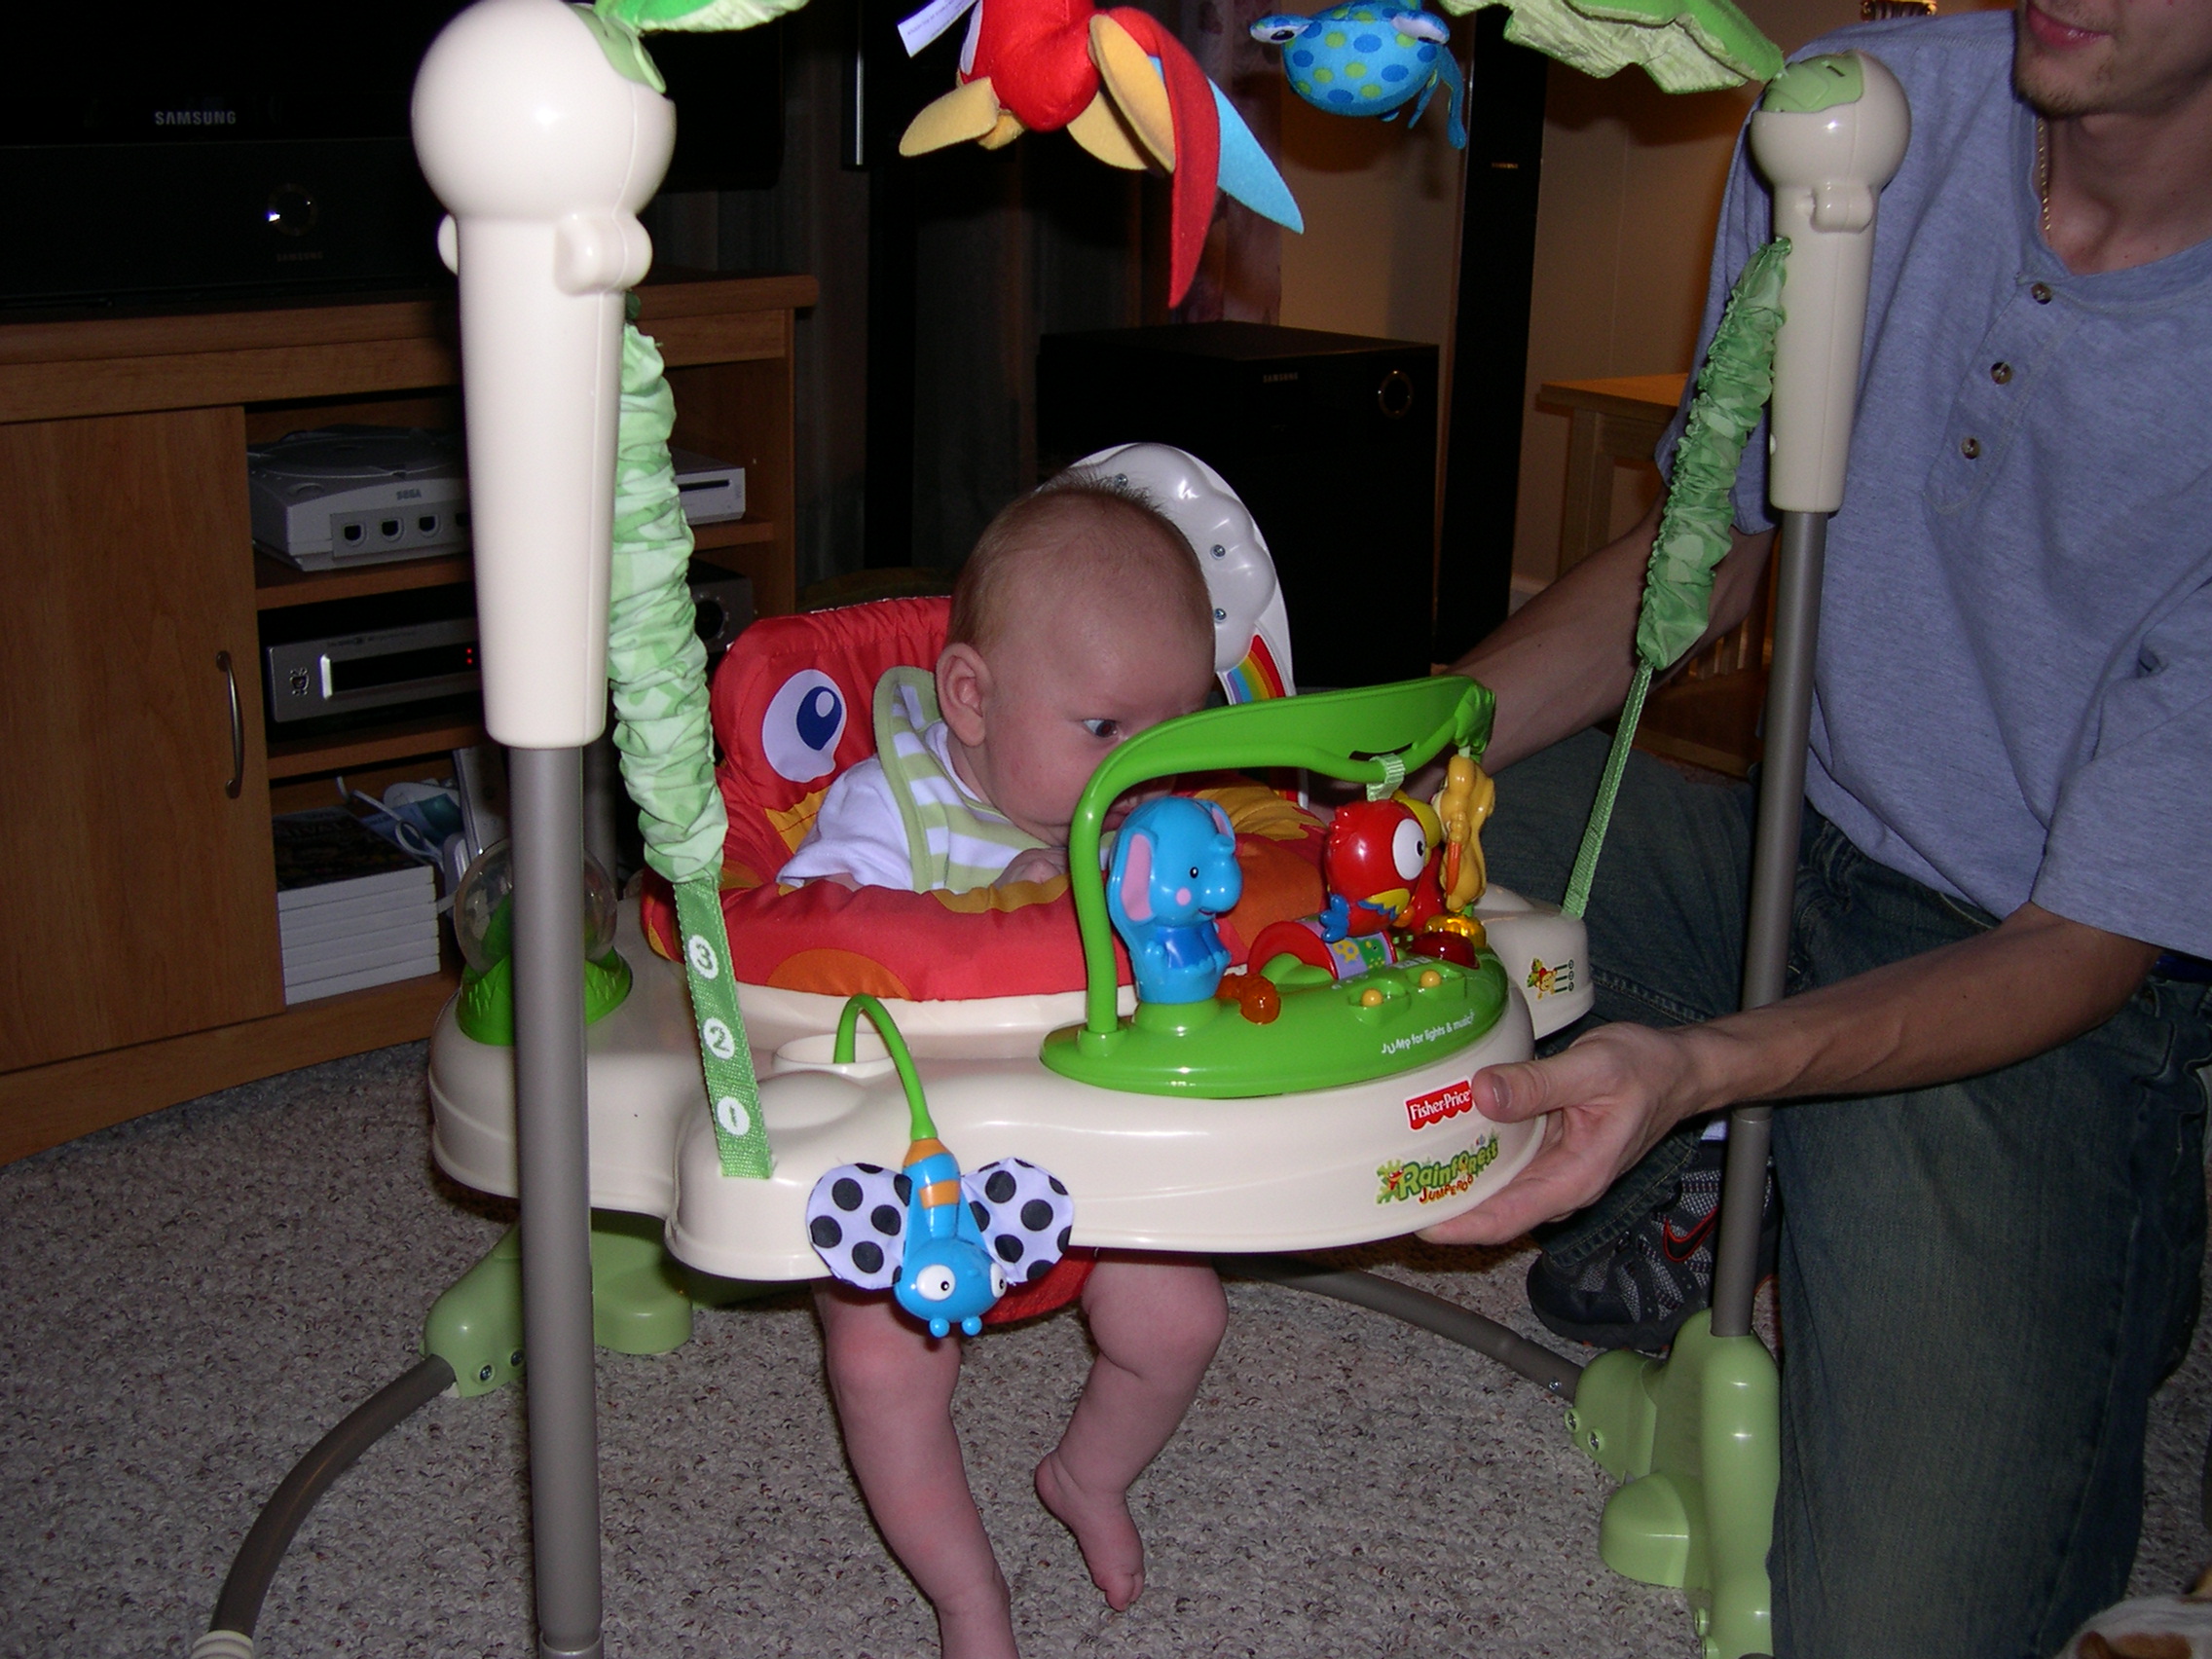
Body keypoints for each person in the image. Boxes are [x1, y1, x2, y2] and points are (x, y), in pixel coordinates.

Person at [1425, 3, 2212, 1653]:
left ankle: (2096, 1226)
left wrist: (1702, 1063)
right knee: (1330, 900)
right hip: (1789, 828)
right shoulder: (1861, 111)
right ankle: (1731, 1174)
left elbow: (2084, 940)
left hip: (2041, 975)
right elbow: (1708, 550)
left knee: (1891, 1621)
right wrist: (1400, 758)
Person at [785, 473, 1231, 1659]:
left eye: (1172, 731)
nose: (1144, 773)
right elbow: (798, 932)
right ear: (971, 701)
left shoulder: (1155, 839)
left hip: (1097, 1158)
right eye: (1104, 731)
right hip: (915, 1166)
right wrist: (984, 905)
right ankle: (964, 1592)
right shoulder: (896, 807)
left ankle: (1085, 1475)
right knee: (882, 1366)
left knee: (1179, 1321)